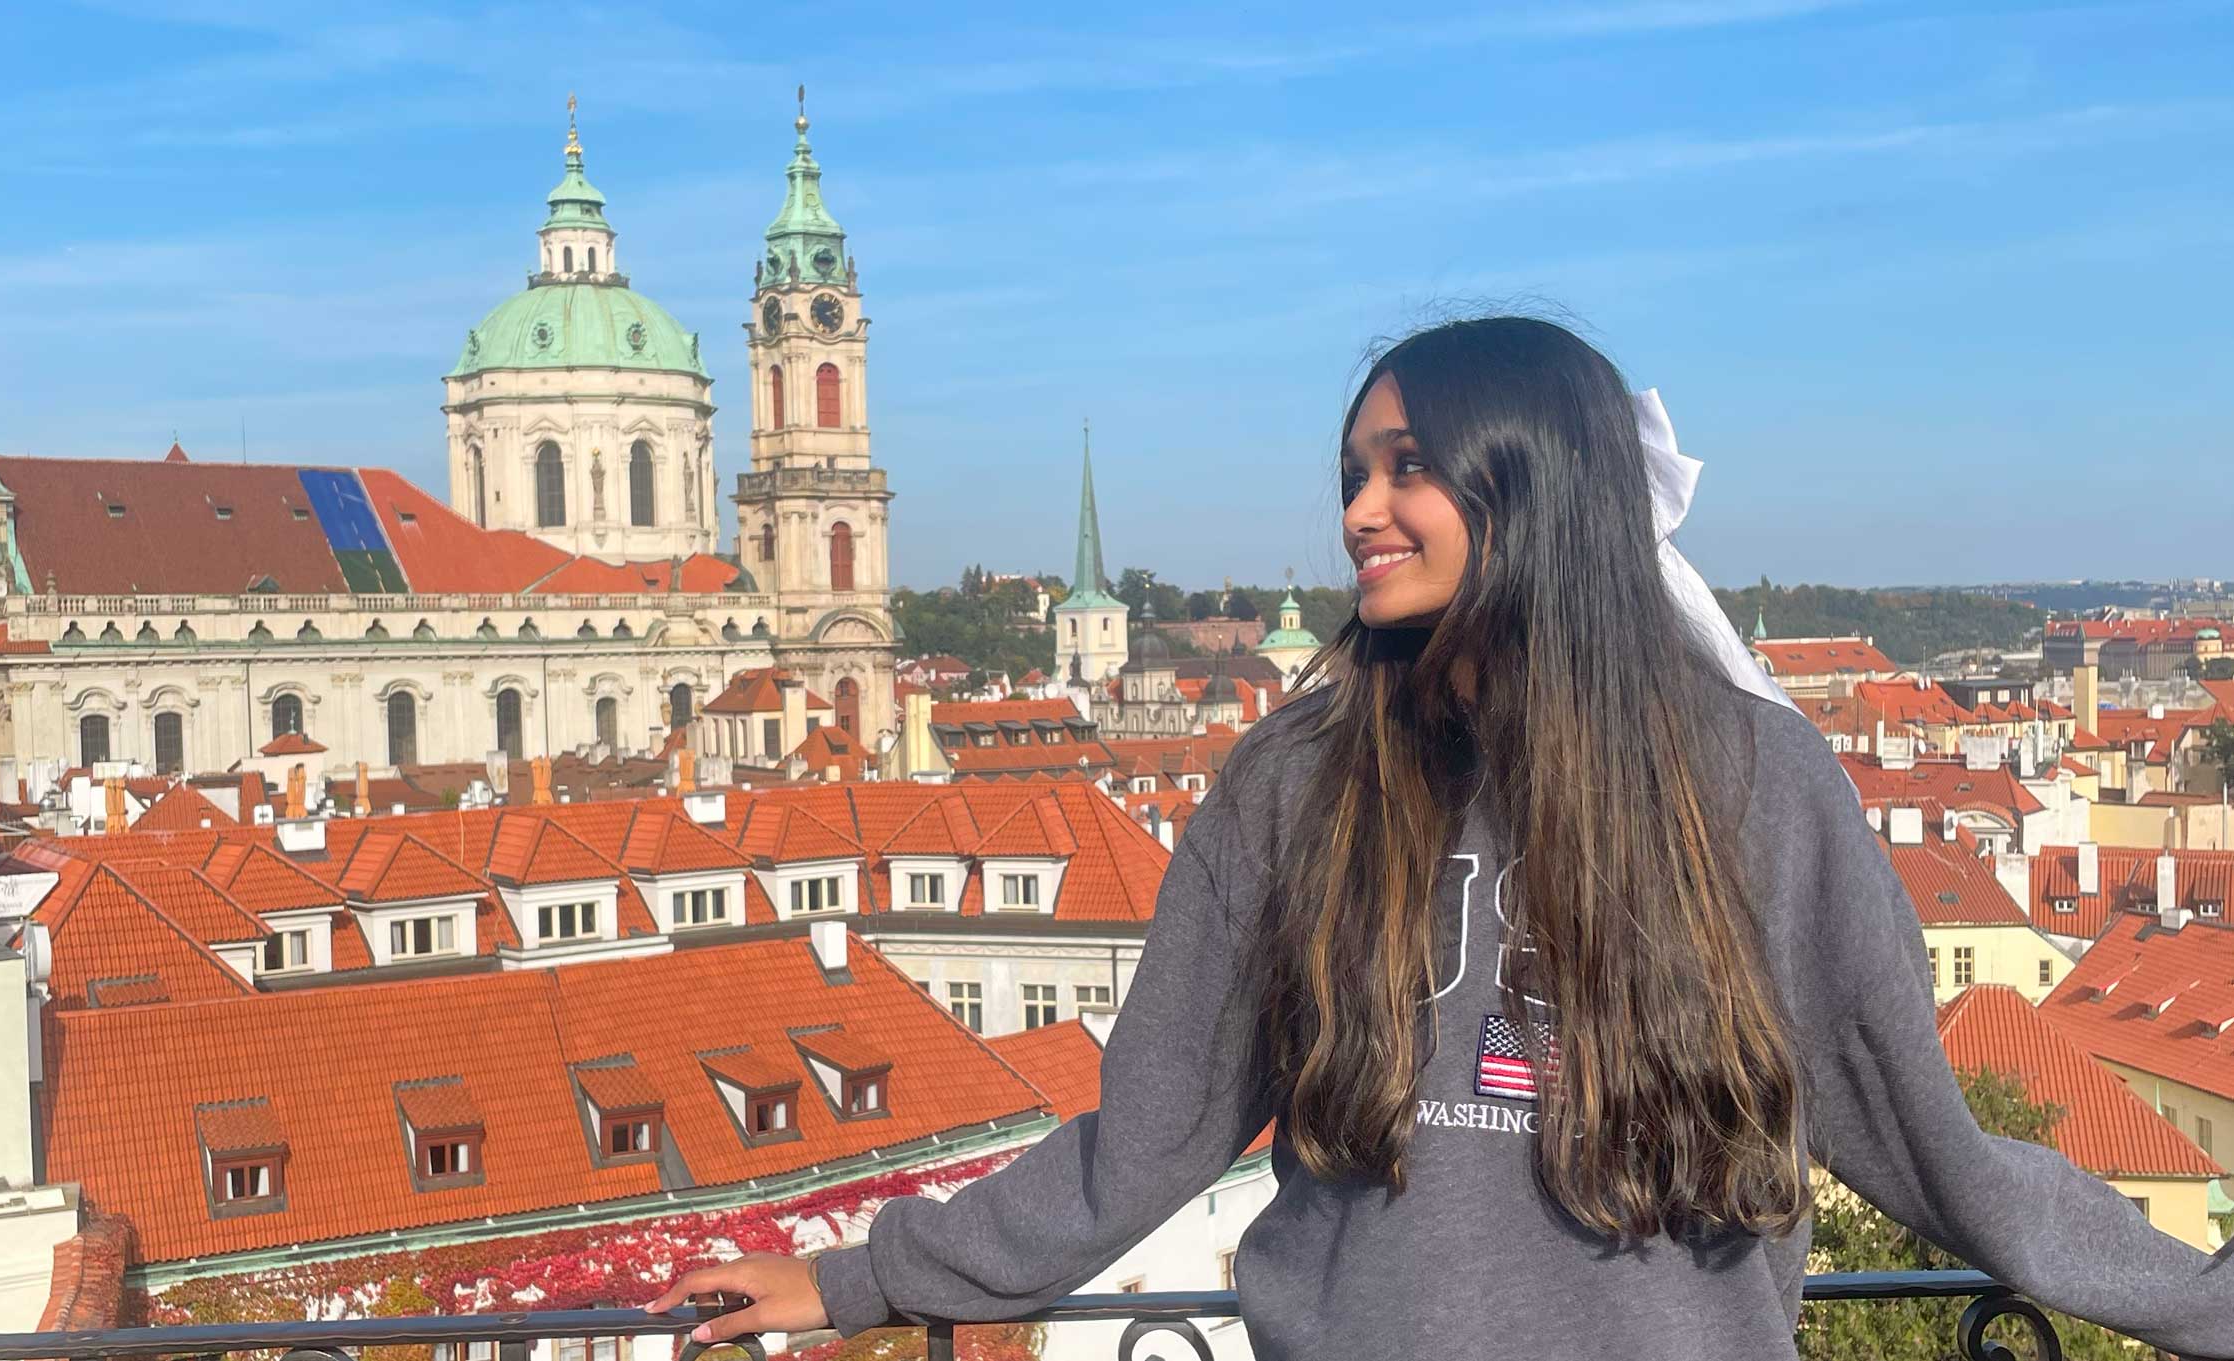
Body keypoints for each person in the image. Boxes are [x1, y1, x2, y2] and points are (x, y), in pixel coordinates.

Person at [648, 317, 2234, 1358]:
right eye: (1351, 471)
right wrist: (865, 1271)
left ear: (1535, 488)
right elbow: (1147, 1140)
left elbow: (1940, 1150)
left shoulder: (1747, 781)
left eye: (1409, 468)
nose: (1360, 509)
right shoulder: (1296, 786)